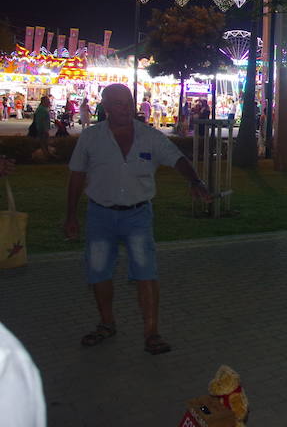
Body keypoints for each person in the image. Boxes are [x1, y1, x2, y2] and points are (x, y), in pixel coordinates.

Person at [63, 84, 211, 355]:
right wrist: (71, 215)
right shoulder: (91, 138)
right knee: (98, 272)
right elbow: (76, 175)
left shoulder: (149, 136)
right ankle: (106, 324)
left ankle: (152, 332)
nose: (126, 107)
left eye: (128, 102)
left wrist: (195, 180)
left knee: (146, 273)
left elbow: (177, 158)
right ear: (105, 107)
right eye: (118, 103)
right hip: (100, 215)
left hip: (138, 215)